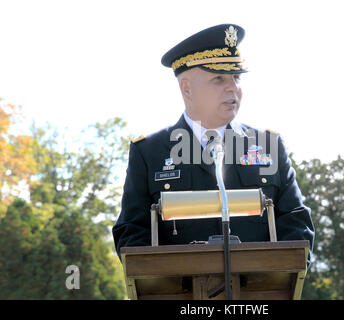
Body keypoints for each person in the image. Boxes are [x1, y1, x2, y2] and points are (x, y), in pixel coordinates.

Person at [112, 24, 314, 266]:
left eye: (236, 77)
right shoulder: (149, 152)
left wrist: (276, 277)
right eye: (218, 78)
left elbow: (295, 222)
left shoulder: (267, 146)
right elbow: (132, 231)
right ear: (186, 88)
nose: (233, 88)